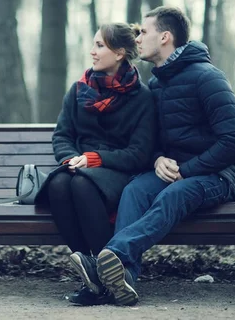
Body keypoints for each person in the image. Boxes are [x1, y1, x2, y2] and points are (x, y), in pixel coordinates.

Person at [69, 6, 235, 306]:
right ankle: (123, 280)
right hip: (176, 171)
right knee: (135, 191)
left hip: (221, 175)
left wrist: (188, 169)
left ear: (165, 37)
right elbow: (152, 141)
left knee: (174, 194)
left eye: (144, 32)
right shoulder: (157, 84)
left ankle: (109, 261)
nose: (137, 38)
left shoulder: (207, 77)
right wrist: (157, 159)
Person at [42, 23, 157, 306]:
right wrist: (69, 159)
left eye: (100, 46)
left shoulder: (141, 97)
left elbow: (140, 153)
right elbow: (62, 136)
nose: (92, 52)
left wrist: (97, 159)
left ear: (119, 53)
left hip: (119, 173)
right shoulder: (79, 90)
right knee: (57, 184)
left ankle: (108, 274)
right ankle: (91, 274)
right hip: (79, 166)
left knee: (82, 185)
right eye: (94, 45)